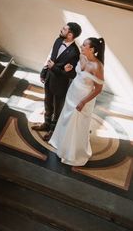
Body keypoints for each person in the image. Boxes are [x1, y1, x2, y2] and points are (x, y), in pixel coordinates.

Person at [49, 37, 105, 166]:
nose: (81, 46)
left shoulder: (97, 67)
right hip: (72, 92)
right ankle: (61, 143)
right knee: (66, 119)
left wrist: (83, 102)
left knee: (77, 123)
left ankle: (72, 152)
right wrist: (69, 69)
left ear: (92, 49)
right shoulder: (81, 57)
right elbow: (78, 74)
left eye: (84, 45)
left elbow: (98, 89)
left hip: (84, 98)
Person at [32, 22, 82, 141]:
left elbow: (71, 74)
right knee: (47, 103)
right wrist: (44, 72)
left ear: (70, 35)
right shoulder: (58, 41)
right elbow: (51, 58)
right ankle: (46, 124)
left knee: (57, 108)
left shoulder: (75, 53)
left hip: (60, 84)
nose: (61, 29)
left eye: (64, 29)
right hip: (49, 78)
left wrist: (54, 67)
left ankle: (53, 131)